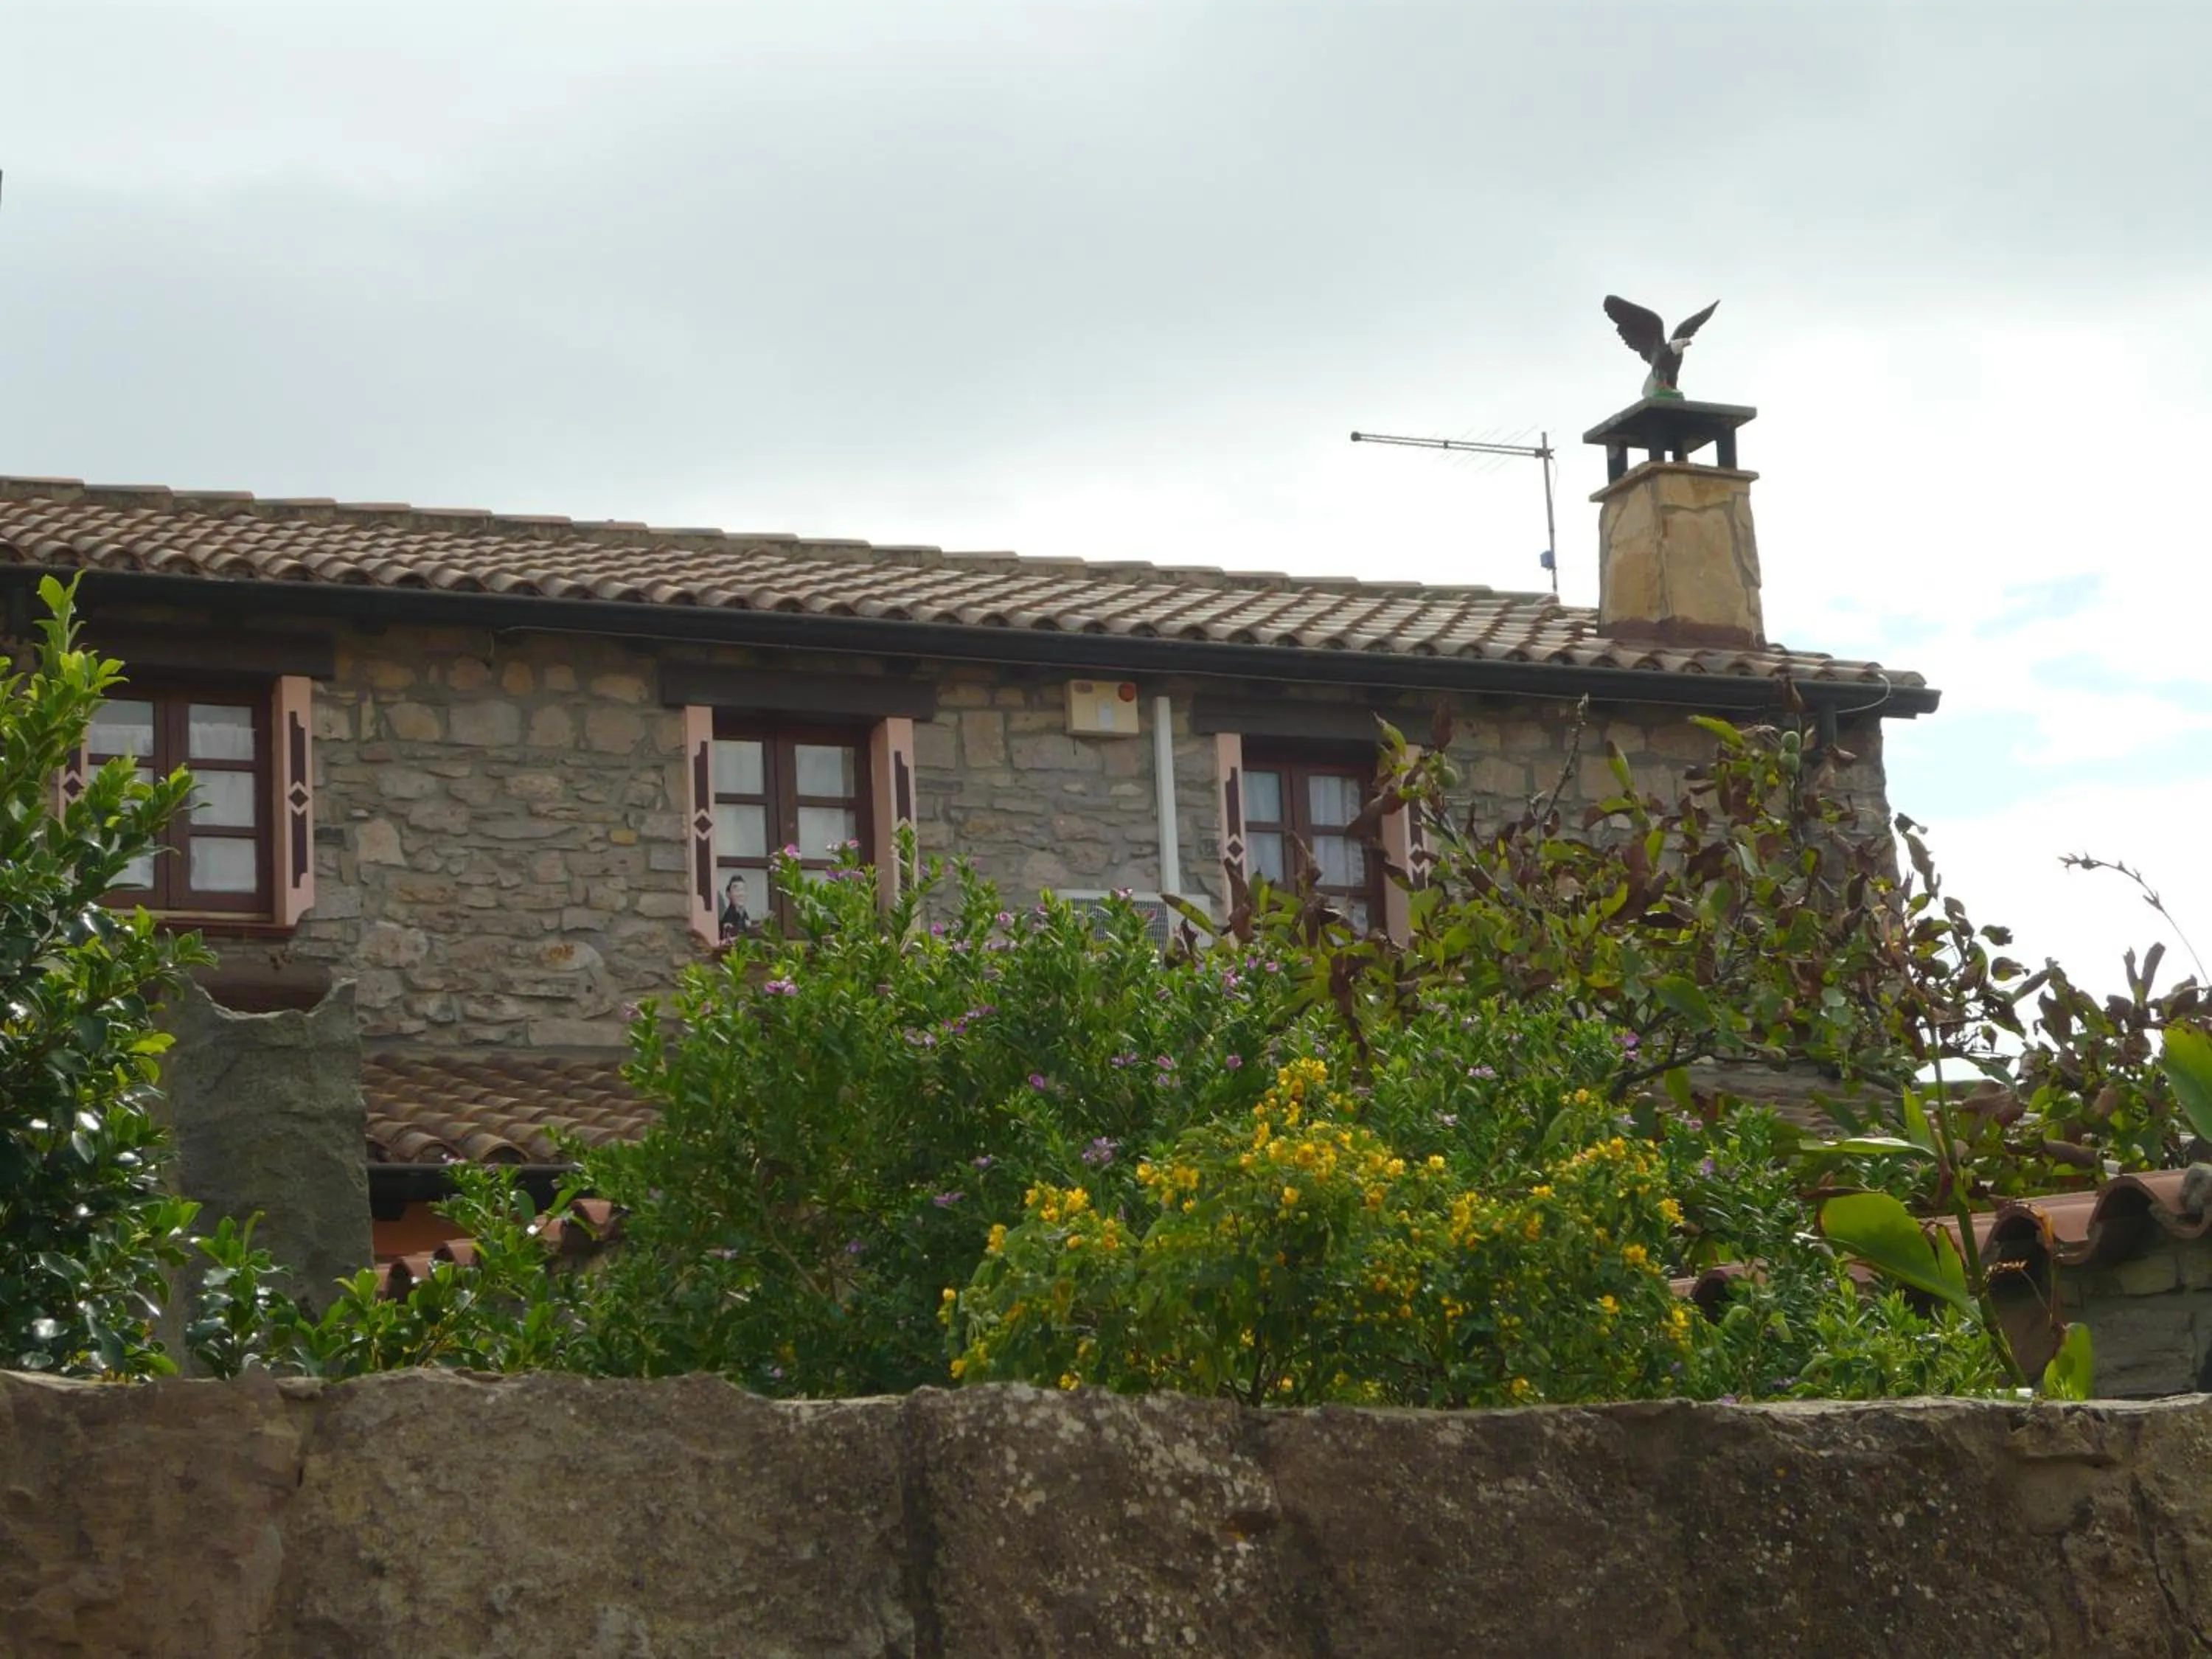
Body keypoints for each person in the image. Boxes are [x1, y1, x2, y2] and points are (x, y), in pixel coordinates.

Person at [717, 873, 751, 942]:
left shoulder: (744, 914)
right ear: (728, 894)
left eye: (743, 890)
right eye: (737, 890)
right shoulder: (729, 917)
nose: (741, 894)